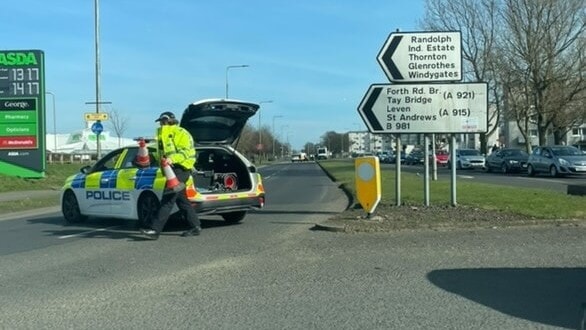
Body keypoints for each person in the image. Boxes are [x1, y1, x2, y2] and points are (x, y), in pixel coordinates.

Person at [140, 111, 201, 240]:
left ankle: (154, 230)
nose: (161, 124)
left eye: (163, 121)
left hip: (180, 168)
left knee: (167, 199)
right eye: (160, 121)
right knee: (182, 200)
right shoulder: (162, 136)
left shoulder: (181, 133)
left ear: (169, 120)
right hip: (169, 170)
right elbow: (160, 154)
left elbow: (187, 152)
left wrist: (172, 159)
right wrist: (146, 154)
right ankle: (195, 226)